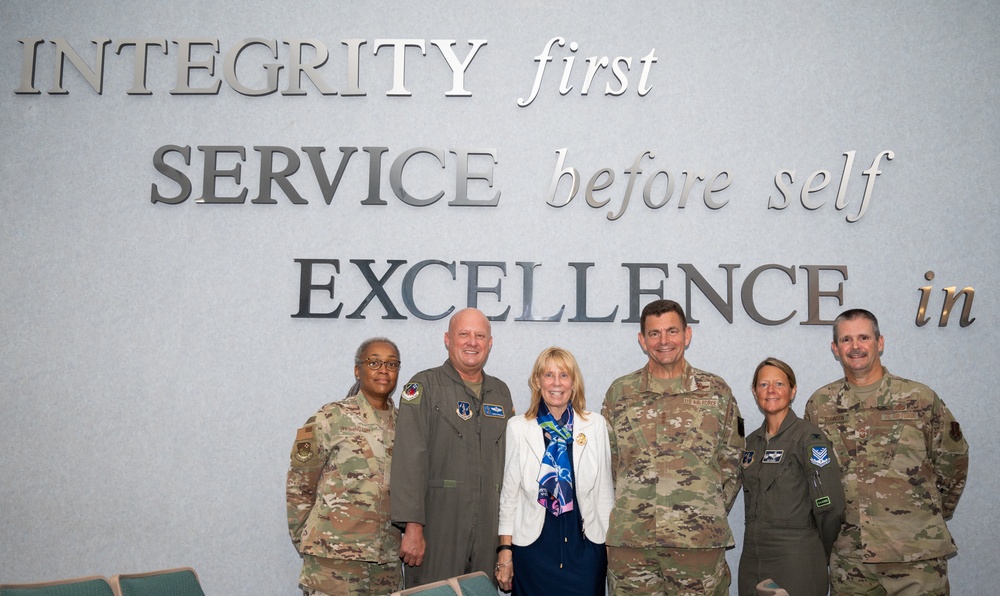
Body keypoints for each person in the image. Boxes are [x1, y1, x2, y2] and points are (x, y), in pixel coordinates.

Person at [805, 308, 969, 595]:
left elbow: (953, 461)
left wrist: (924, 514)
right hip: (850, 557)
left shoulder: (919, 398)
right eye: (846, 340)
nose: (855, 346)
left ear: (880, 343)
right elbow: (814, 475)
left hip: (915, 552)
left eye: (864, 337)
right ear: (835, 348)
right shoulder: (820, 405)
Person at [601, 299, 744, 595]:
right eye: (654, 333)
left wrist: (703, 508)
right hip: (632, 545)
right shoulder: (620, 393)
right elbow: (606, 463)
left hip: (698, 544)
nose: (663, 341)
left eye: (672, 331)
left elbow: (732, 460)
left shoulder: (716, 392)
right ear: (642, 340)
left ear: (687, 335)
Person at [391, 308, 513, 587]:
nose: (472, 342)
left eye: (480, 335)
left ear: (490, 343)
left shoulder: (501, 393)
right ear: (448, 339)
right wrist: (412, 527)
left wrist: (506, 544)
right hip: (437, 528)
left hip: (488, 532)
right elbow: (409, 458)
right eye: (464, 334)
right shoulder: (424, 386)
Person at [286, 337, 403, 596]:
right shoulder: (330, 418)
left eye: (392, 364)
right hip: (333, 563)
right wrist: (311, 541)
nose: (383, 370)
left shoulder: (406, 423)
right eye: (374, 362)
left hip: (386, 564)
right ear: (357, 369)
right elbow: (299, 486)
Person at [496, 347, 614, 594]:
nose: (556, 383)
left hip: (585, 551)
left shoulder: (595, 425)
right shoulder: (519, 427)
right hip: (534, 550)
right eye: (548, 375)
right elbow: (510, 495)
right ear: (537, 382)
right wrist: (505, 552)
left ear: (574, 382)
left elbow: (604, 493)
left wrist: (609, 550)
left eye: (564, 375)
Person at [738, 357, 845, 596]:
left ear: (793, 390)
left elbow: (831, 506)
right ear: (755, 392)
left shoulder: (809, 437)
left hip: (796, 556)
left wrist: (818, 551)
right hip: (752, 557)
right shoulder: (751, 443)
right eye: (763, 385)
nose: (771, 391)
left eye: (779, 384)